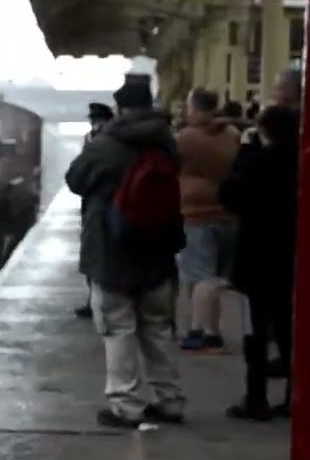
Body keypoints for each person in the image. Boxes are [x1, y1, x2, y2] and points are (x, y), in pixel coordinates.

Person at [66, 80, 186, 428]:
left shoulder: (106, 144)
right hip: (158, 245)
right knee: (158, 327)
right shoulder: (166, 143)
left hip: (111, 247)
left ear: (120, 109)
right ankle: (170, 401)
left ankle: (126, 405)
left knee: (118, 327)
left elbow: (75, 180)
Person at [218, 106, 299, 420]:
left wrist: (245, 153)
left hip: (257, 258)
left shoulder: (256, 163)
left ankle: (256, 398)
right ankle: (293, 397)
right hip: (292, 256)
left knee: (256, 330)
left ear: (264, 132)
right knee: (288, 329)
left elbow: (228, 196)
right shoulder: (303, 160)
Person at [175, 88, 241, 352]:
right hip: (228, 212)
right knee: (209, 278)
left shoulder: (185, 138)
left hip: (195, 213)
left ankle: (204, 334)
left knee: (202, 276)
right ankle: (206, 327)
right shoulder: (233, 135)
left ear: (194, 107)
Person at [73, 102, 115, 319]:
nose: (94, 124)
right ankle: (93, 300)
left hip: (106, 205)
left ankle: (101, 301)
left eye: (97, 120)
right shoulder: (90, 139)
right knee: (92, 253)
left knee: (102, 253)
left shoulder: (109, 142)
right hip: (92, 203)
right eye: (92, 120)